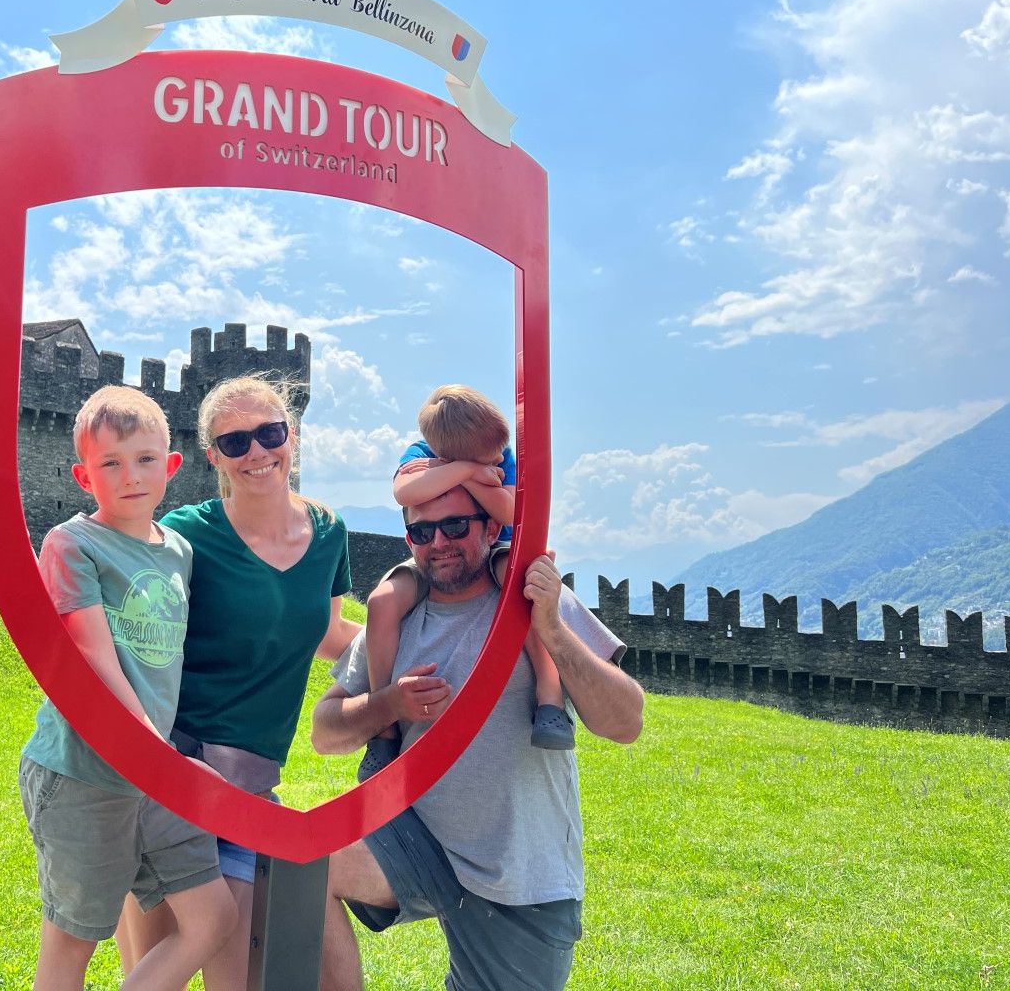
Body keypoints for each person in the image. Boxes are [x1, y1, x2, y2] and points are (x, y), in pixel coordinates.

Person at [312, 485, 645, 991]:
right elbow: (324, 731)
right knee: (306, 867)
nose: (438, 542)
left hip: (520, 874)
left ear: (491, 528)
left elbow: (626, 722)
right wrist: (391, 704)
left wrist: (552, 629)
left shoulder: (532, 594)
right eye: (421, 532)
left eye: (454, 526)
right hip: (421, 845)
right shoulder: (400, 619)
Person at [118, 374, 361, 988]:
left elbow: (328, 631)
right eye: (235, 442)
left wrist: (415, 657)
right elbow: (111, 585)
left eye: (270, 433)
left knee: (239, 975)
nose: (256, 452)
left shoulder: (330, 534)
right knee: (163, 964)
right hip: (171, 775)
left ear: (293, 437)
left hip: (250, 790)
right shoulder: (187, 534)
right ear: (213, 457)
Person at [17, 385, 235, 990]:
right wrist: (152, 752)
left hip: (154, 773)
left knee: (211, 917)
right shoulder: (73, 543)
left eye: (143, 460)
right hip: (84, 772)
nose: (129, 476)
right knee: (72, 944)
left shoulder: (180, 551)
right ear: (83, 477)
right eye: (109, 463)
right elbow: (91, 653)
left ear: (170, 467)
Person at [362, 385, 571, 783]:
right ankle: (383, 731)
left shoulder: (500, 453)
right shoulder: (420, 454)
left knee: (522, 589)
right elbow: (405, 493)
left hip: (494, 543)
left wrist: (460, 475)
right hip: (430, 550)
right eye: (489, 455)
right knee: (381, 602)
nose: (498, 459)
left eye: (498, 453)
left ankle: (549, 696)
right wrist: (471, 472)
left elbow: (511, 510)